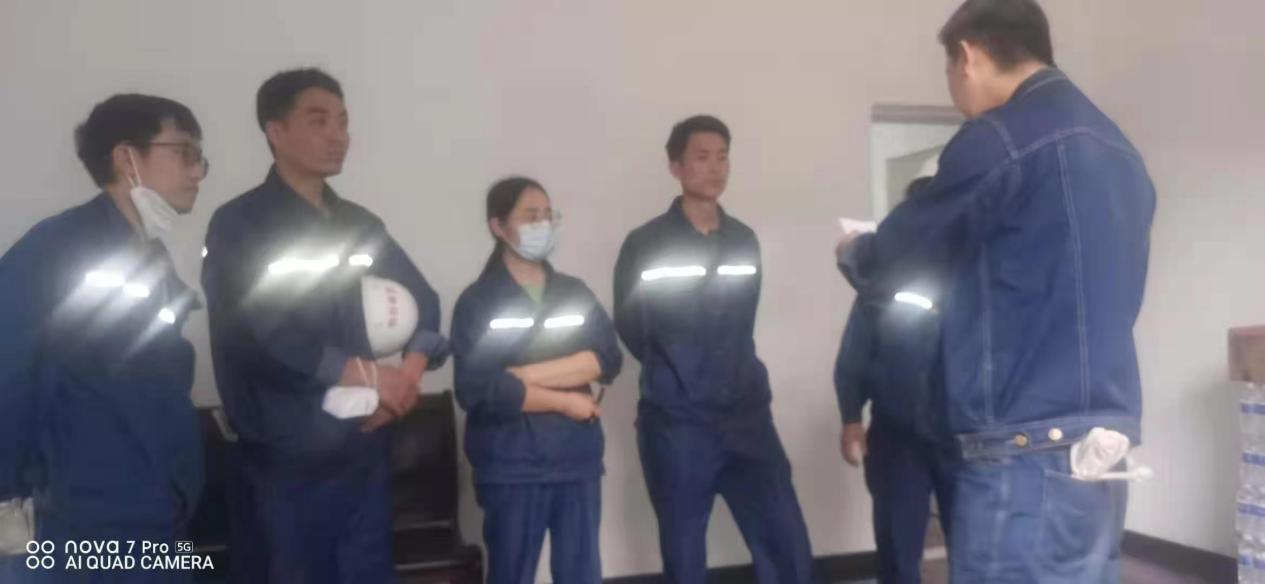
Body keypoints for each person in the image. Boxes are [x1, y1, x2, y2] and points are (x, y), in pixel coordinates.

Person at [836, 1, 1156, 580]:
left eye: (949, 72)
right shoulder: (1120, 152)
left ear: (968, 55)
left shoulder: (999, 138)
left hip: (1023, 449)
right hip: (1104, 448)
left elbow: (901, 257)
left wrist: (855, 252)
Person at [202, 68, 448, 583]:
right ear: (275, 131)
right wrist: (367, 374)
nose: (338, 135)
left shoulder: (359, 225)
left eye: (343, 122)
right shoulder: (239, 225)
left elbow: (422, 300)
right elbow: (255, 334)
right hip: (284, 462)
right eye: (319, 121)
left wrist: (405, 379)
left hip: (362, 450)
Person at [0, 94, 208, 582]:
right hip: (77, 524)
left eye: (201, 158)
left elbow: (160, 385)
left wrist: (181, 488)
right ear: (125, 157)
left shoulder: (154, 260)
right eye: (184, 152)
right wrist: (8, 493)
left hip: (152, 514)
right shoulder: (57, 248)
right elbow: (7, 371)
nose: (198, 172)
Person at [613, 115, 815, 583]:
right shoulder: (645, 244)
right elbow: (632, 326)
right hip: (679, 422)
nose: (715, 168)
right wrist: (679, 371)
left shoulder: (743, 240)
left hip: (747, 415)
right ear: (676, 167)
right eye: (702, 157)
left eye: (723, 157)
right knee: (685, 554)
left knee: (785, 540)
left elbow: (745, 317)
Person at [451, 177, 623, 584]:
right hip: (512, 465)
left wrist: (523, 376)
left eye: (548, 215)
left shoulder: (574, 292)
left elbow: (607, 359)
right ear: (498, 226)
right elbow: (476, 388)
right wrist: (566, 400)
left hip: (575, 460)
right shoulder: (478, 301)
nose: (542, 225)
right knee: (511, 574)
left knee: (581, 575)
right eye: (530, 216)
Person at [834, 172, 957, 584]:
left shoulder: (977, 275)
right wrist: (851, 418)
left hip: (965, 438)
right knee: (898, 551)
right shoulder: (882, 284)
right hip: (898, 436)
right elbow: (854, 355)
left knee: (976, 550)